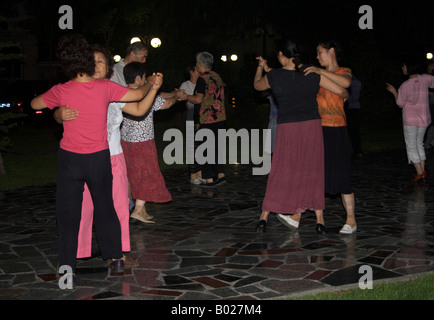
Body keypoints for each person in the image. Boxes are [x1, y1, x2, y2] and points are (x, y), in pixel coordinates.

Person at [30, 34, 158, 278]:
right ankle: (116, 259)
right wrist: (150, 83)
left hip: (70, 161)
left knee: (67, 213)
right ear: (88, 64)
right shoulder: (105, 87)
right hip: (99, 159)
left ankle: (67, 264)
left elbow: (35, 103)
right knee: (106, 209)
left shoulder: (62, 89)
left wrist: (56, 110)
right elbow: (137, 96)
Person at [253, 38, 349, 234]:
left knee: (281, 169)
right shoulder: (310, 73)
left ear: (281, 55)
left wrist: (261, 68)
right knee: (312, 170)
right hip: (312, 127)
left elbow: (257, 86)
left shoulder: (276, 76)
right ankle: (320, 221)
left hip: (288, 128)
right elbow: (343, 91)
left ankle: (264, 217)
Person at [121, 62, 186, 223]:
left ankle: (139, 210)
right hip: (143, 142)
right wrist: (177, 97)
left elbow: (161, 96)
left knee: (132, 173)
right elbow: (166, 104)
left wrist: (174, 93)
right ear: (138, 78)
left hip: (125, 141)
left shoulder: (123, 93)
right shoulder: (144, 95)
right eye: (145, 77)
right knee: (147, 174)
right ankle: (137, 209)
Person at [304, 39, 357, 234]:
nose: (317, 57)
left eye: (320, 52)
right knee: (316, 173)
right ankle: (312, 217)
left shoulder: (343, 71)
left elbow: (346, 83)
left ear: (331, 51)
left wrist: (320, 71)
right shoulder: (317, 76)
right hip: (319, 128)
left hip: (338, 129)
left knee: (342, 172)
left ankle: (351, 219)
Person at [386, 60, 434, 181]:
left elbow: (400, 104)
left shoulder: (405, 86)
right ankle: (422, 171)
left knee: (411, 146)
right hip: (424, 118)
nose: (402, 68)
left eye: (404, 66)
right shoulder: (425, 79)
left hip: (410, 119)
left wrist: (394, 92)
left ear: (410, 68)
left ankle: (420, 172)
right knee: (419, 144)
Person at [185, 52, 227, 187]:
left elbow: (198, 99)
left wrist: (184, 96)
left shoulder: (202, 79)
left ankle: (209, 179)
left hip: (207, 119)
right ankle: (221, 174)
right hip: (220, 117)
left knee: (206, 148)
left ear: (200, 64)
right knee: (217, 148)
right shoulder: (217, 76)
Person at [179, 63, 204, 185]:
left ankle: (200, 173)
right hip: (191, 115)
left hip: (202, 116)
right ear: (191, 72)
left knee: (201, 145)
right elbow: (187, 98)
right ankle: (193, 174)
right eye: (196, 71)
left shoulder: (202, 83)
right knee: (192, 146)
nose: (199, 72)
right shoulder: (186, 85)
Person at [345, 74, 363, 157]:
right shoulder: (345, 81)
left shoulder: (355, 82)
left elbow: (354, 97)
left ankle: (358, 151)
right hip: (347, 108)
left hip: (353, 108)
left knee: (354, 131)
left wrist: (345, 99)